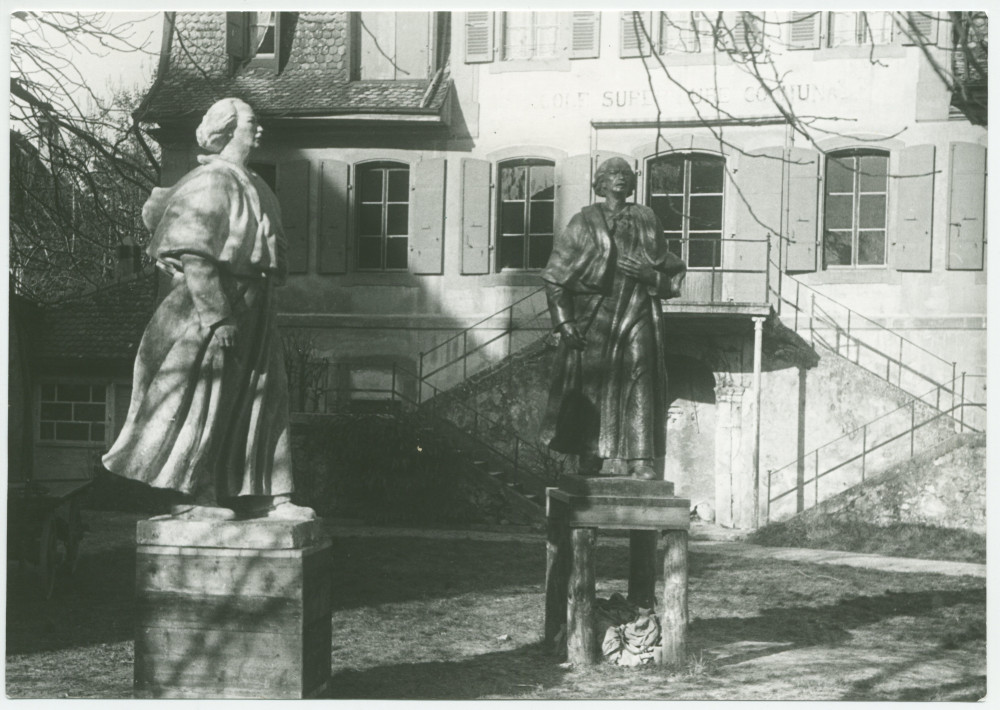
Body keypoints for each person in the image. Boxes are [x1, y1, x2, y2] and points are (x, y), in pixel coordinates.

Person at [103, 98, 314, 520]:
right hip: (214, 311)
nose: (259, 131)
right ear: (226, 129)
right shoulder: (211, 181)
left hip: (256, 310)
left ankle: (267, 494)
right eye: (251, 123)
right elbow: (196, 256)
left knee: (264, 401)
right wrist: (217, 316)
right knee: (204, 399)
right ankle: (191, 495)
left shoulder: (258, 184)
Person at [539, 157, 686, 479]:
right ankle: (590, 455)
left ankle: (641, 459)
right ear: (601, 183)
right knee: (595, 380)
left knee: (641, 376)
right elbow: (554, 276)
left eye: (625, 174)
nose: (620, 178)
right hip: (596, 312)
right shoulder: (584, 221)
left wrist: (651, 276)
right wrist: (564, 322)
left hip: (638, 307)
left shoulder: (646, 217)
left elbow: (672, 273)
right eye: (613, 174)